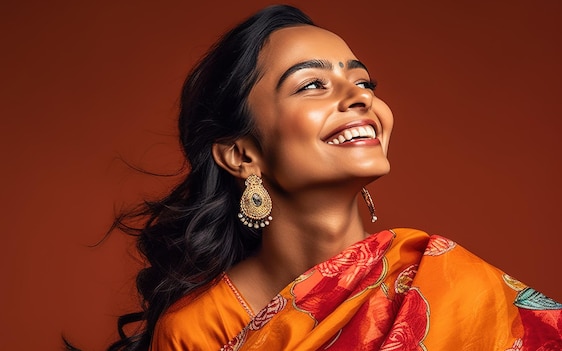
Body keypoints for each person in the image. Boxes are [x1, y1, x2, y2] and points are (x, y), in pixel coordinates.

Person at [104, 5, 562, 351]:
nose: (358, 98)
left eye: (362, 82)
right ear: (242, 155)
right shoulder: (200, 329)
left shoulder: (437, 277)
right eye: (311, 85)